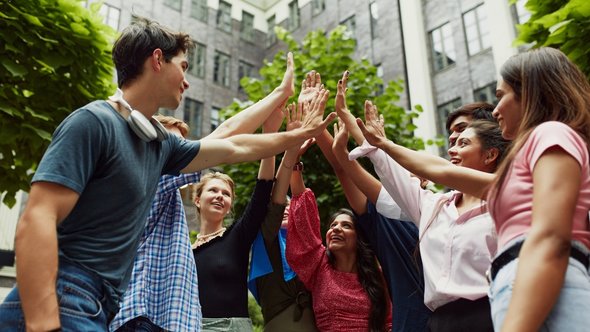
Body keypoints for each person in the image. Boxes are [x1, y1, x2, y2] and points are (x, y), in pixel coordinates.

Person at [0, 17, 334, 331]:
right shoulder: (95, 121)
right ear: (157, 60)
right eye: (183, 67)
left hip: (100, 305)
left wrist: (290, 115)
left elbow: (232, 143)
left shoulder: (159, 149)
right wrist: (44, 321)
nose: (187, 80)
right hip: (66, 295)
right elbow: (37, 218)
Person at [356, 47, 590, 331]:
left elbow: (551, 239)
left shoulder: (550, 134)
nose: (496, 110)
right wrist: (383, 145)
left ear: (529, 93)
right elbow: (440, 169)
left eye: (501, 96)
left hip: (536, 287)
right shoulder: (516, 172)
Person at [352, 102, 509, 331]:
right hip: (439, 322)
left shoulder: (508, 198)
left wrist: (386, 144)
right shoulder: (435, 205)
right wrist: (360, 130)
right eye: (452, 141)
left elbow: (438, 170)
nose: (452, 149)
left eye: (463, 143)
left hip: (492, 316)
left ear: (490, 154)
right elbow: (392, 175)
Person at [193, 90, 330, 331]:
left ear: (230, 206)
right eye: (213, 191)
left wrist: (274, 135)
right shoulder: (182, 250)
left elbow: (264, 191)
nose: (219, 196)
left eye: (226, 194)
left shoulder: (236, 237)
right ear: (197, 199)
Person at [285, 133, 392, 332]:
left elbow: (388, 323)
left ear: (359, 238)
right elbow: (303, 218)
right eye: (333, 225)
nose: (336, 228)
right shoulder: (318, 266)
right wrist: (295, 160)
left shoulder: (377, 276)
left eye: (346, 225)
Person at [248, 79, 322, 331]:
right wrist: (289, 145)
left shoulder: (309, 245)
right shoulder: (267, 240)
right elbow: (277, 194)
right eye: (284, 206)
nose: (287, 207)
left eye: (293, 206)